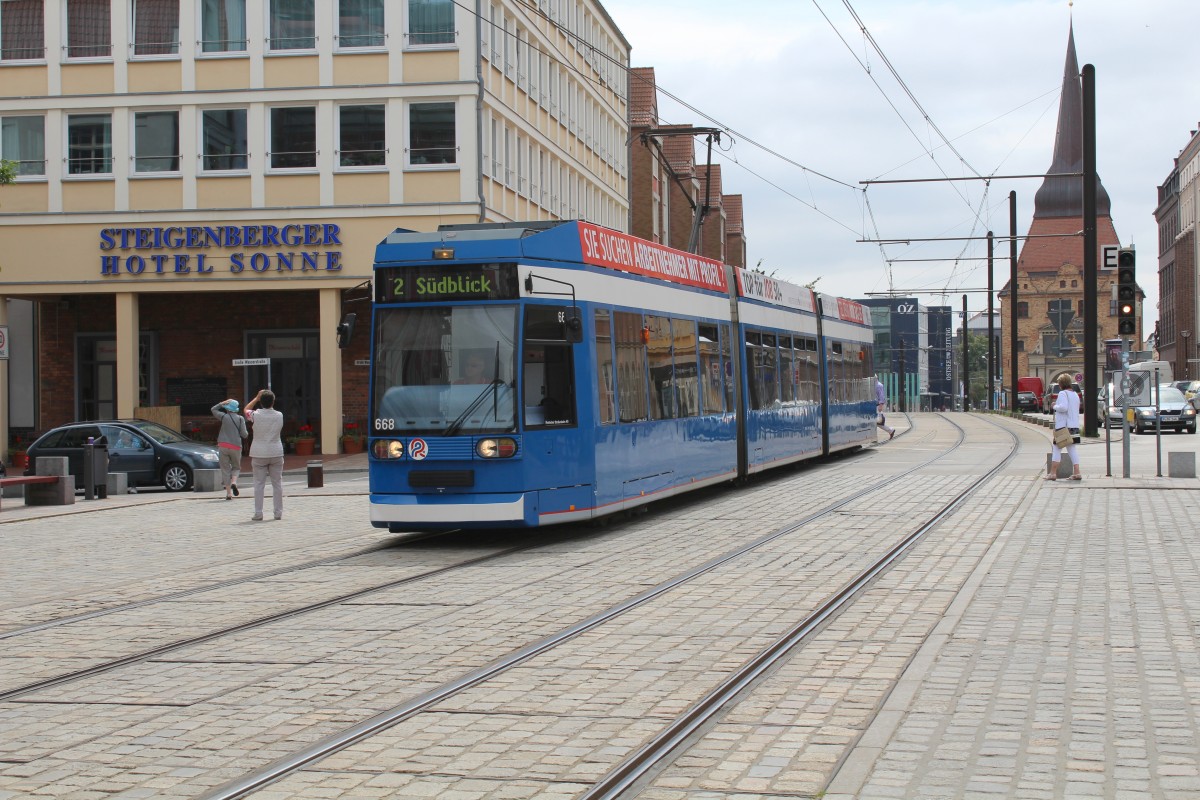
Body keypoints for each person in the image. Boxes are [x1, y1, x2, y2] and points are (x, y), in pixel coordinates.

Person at [243, 389, 285, 520]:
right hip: (276, 451)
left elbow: (245, 410)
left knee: (259, 484)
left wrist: (256, 398)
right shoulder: (279, 415)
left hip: (259, 452)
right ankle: (278, 512)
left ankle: (258, 513)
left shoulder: (256, 415)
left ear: (261, 402)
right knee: (277, 483)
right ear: (273, 401)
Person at [1047, 373, 1082, 481]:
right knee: (1072, 449)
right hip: (1074, 426)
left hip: (1064, 427)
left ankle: (1053, 473)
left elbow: (1063, 408)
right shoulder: (1075, 394)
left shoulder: (1063, 393)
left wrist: (1054, 406)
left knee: (1057, 448)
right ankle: (1077, 472)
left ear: (1061, 384)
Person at [212, 398, 248, 501]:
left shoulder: (223, 417)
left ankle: (228, 494)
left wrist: (221, 403)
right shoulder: (240, 419)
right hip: (236, 446)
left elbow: (213, 409)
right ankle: (234, 482)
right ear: (236, 409)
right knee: (236, 467)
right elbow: (244, 435)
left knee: (225, 469)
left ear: (228, 408)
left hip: (223, 445)